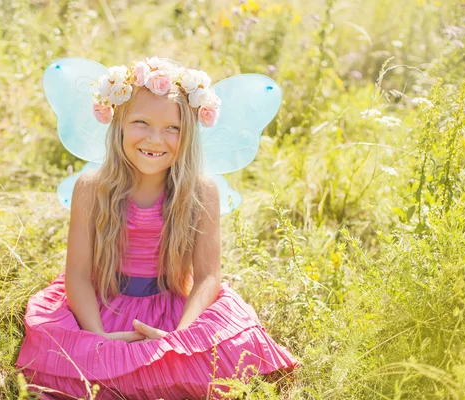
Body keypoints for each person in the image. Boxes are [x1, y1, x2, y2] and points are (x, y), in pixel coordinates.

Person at [16, 57, 300, 400]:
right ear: (118, 122)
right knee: (69, 360)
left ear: (189, 133)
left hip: (173, 308)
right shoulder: (92, 187)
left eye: (173, 128)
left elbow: (208, 276)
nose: (156, 139)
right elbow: (76, 274)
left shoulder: (200, 190)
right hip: (104, 305)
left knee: (230, 350)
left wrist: (180, 338)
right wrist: (98, 339)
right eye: (141, 122)